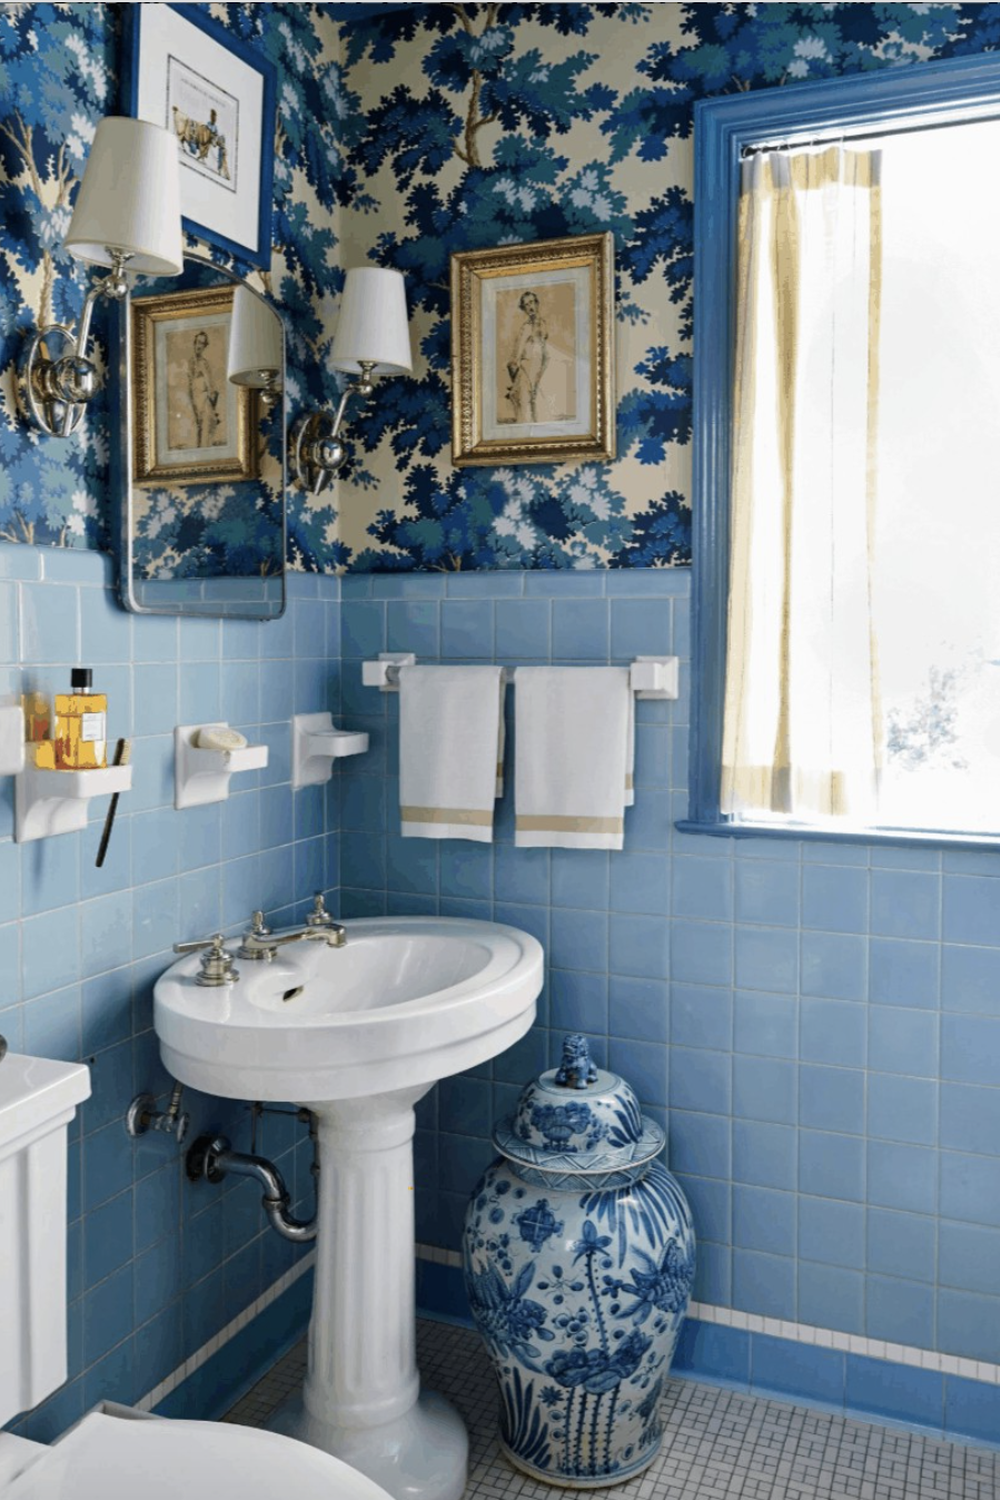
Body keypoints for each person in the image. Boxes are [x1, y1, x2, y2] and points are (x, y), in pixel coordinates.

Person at [505, 289, 549, 422]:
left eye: (531, 303)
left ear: (537, 303)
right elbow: (515, 357)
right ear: (523, 309)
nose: (530, 307)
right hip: (526, 370)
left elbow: (544, 351)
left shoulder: (543, 325)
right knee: (525, 407)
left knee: (538, 407)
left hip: (539, 370)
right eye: (526, 305)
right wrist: (515, 378)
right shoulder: (526, 328)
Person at [187, 330, 221, 447]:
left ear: (205, 346)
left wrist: (212, 406)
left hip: (205, 404)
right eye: (197, 342)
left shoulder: (204, 363)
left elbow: (213, 388)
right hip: (194, 404)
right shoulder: (190, 362)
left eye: (202, 343)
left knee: (205, 436)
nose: (199, 346)